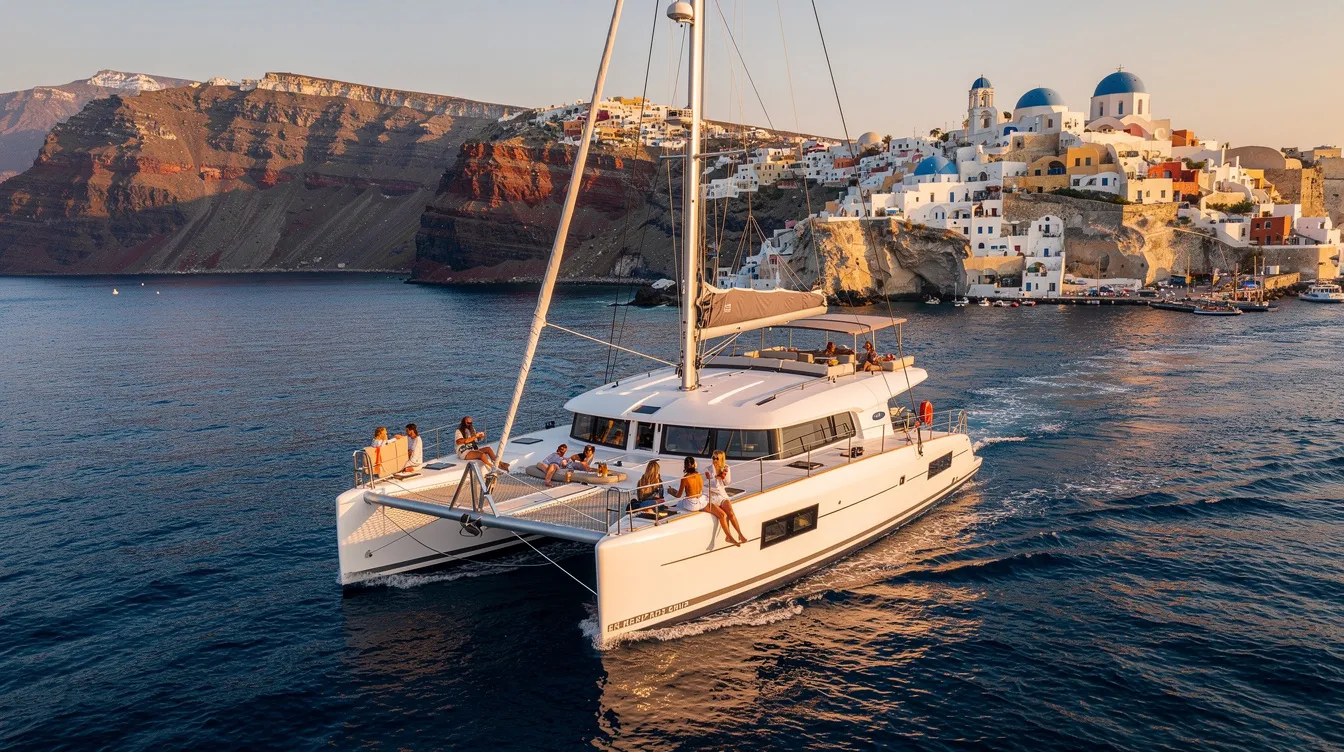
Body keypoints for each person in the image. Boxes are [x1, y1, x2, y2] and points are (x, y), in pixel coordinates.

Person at [705, 450, 746, 546]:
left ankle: (740, 534)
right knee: (723, 515)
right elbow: (709, 484)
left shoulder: (726, 468)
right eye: (713, 458)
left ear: (722, 459)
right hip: (712, 495)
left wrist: (724, 475)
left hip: (722, 494)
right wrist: (713, 476)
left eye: (716, 458)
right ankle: (728, 537)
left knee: (730, 512)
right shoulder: (708, 469)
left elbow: (727, 483)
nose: (714, 460)